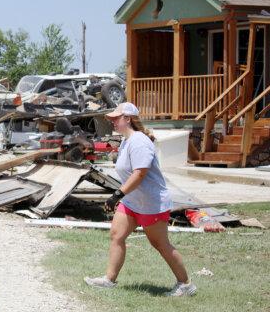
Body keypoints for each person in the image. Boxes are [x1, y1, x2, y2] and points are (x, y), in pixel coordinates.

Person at [84, 102, 196, 297]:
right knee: (116, 235)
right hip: (132, 202)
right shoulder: (127, 141)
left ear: (128, 119)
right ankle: (109, 280)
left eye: (115, 118)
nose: (112, 122)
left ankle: (185, 285)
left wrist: (117, 194)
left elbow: (140, 174)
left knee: (160, 244)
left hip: (151, 203)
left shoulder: (139, 141)